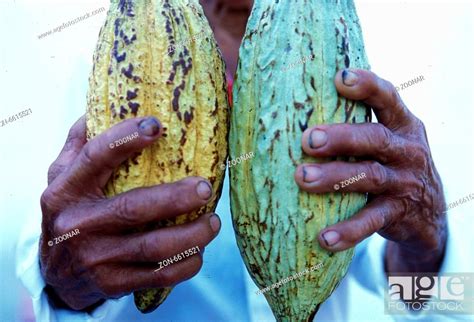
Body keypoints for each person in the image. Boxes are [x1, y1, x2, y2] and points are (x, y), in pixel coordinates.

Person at [16, 1, 470, 321]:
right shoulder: (113, 69)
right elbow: (51, 284)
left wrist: (429, 243)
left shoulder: (346, 65)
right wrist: (62, 285)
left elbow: (433, 304)